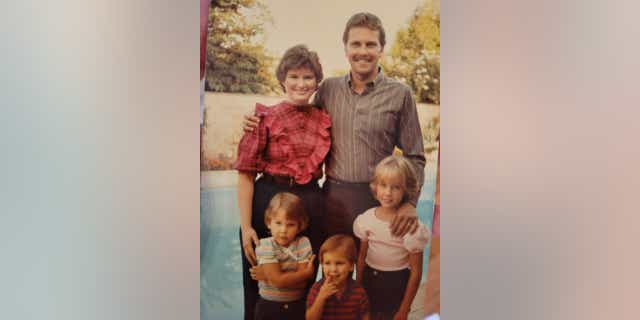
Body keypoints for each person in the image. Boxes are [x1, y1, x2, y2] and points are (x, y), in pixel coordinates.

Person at [244, 12, 425, 239]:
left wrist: (409, 203)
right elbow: (298, 114)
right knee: (332, 270)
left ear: (381, 49)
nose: (363, 51)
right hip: (332, 198)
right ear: (346, 49)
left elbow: (415, 156)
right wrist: (257, 116)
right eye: (355, 44)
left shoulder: (400, 94)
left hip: (379, 198)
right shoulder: (328, 89)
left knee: (373, 271)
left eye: (370, 44)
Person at [234, 44, 330, 320]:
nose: (301, 83)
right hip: (269, 200)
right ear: (282, 80)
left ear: (317, 82)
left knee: (305, 281)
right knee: (258, 283)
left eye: (308, 77)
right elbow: (245, 174)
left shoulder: (324, 119)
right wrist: (246, 227)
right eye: (294, 76)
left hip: (310, 203)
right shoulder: (262, 118)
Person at [353, 156, 430, 320]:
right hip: (369, 282)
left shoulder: (410, 228)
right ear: (375, 187)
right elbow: (361, 258)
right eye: (383, 185)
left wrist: (404, 309)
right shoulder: (366, 219)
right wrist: (357, 289)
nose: (387, 192)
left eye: (395, 187)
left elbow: (416, 272)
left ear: (406, 190)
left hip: (396, 286)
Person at [252, 192, 317, 320]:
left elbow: (302, 285)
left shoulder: (303, 243)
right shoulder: (265, 245)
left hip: (297, 305)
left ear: (299, 226)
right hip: (268, 307)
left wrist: (270, 277)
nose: (283, 230)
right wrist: (305, 274)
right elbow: (278, 281)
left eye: (290, 224)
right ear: (269, 222)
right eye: (278, 223)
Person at [306, 235, 370, 320]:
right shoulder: (317, 289)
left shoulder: (358, 292)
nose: (333, 269)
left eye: (339, 263)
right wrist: (321, 297)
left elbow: (365, 316)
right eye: (327, 263)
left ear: (351, 266)